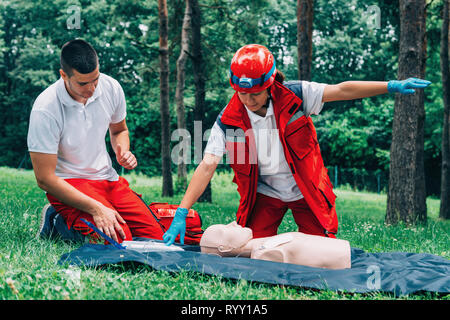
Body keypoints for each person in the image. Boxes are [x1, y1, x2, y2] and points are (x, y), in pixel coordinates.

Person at [163, 44, 431, 246]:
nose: (248, 100)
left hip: (306, 190)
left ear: (269, 85)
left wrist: (391, 86)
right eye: (242, 93)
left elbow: (342, 90)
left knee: (322, 252)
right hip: (265, 195)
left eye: (255, 93)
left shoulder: (296, 95)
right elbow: (208, 164)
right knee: (252, 249)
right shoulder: (228, 120)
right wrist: (182, 211)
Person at [29, 39, 164, 244]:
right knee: (118, 241)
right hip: (70, 183)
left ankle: (85, 218)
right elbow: (45, 179)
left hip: (107, 179)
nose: (92, 89)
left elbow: (119, 130)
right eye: (83, 83)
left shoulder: (111, 87)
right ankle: (58, 222)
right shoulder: (45, 109)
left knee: (158, 238)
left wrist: (122, 150)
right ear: (63, 75)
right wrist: (97, 208)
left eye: (96, 79)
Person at [200, 221, 351, 269]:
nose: (232, 223)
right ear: (224, 248)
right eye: (224, 230)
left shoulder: (264, 246)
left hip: (342, 250)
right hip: (343, 258)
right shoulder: (264, 254)